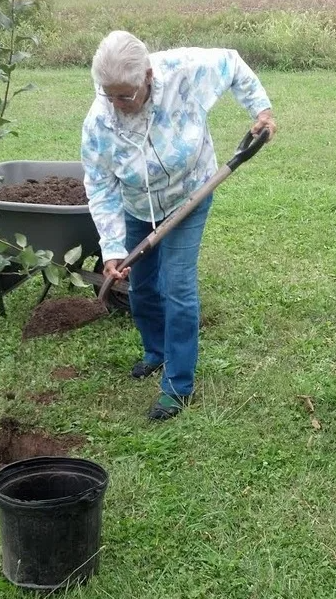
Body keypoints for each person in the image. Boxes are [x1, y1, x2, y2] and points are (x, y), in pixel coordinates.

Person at [81, 31, 277, 421]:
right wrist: (113, 248)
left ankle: (177, 384)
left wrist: (262, 111)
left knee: (177, 286)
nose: (117, 104)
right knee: (142, 286)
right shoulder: (99, 123)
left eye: (126, 95)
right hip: (137, 206)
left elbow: (232, 62)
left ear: (148, 76)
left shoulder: (184, 70)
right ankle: (156, 351)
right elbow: (100, 186)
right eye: (109, 94)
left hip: (191, 195)